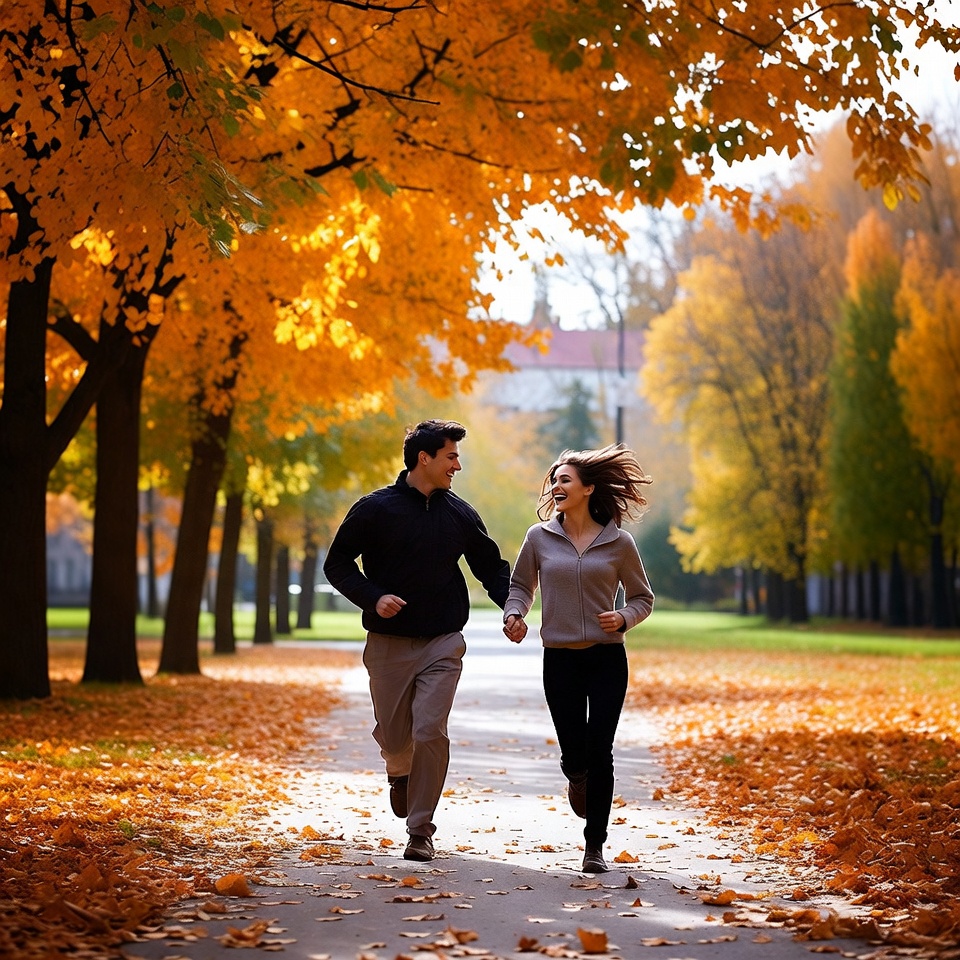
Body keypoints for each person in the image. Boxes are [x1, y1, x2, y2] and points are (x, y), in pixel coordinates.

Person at [323, 419, 511, 863]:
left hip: (443, 642)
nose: (457, 466)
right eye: (451, 456)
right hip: (388, 643)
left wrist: (512, 608)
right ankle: (398, 768)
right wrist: (373, 597)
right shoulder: (374, 509)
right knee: (394, 735)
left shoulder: (460, 514)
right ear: (423, 458)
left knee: (430, 730)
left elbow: (491, 566)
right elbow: (337, 564)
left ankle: (420, 830)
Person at [502, 443, 654, 873]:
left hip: (607, 659)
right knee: (576, 752)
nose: (556, 485)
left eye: (564, 479)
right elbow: (520, 587)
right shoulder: (539, 538)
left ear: (588, 488)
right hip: (561, 659)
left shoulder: (619, 543)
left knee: (601, 749)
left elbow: (643, 598)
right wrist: (514, 614)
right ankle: (575, 772)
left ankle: (594, 847)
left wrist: (623, 617)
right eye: (554, 480)